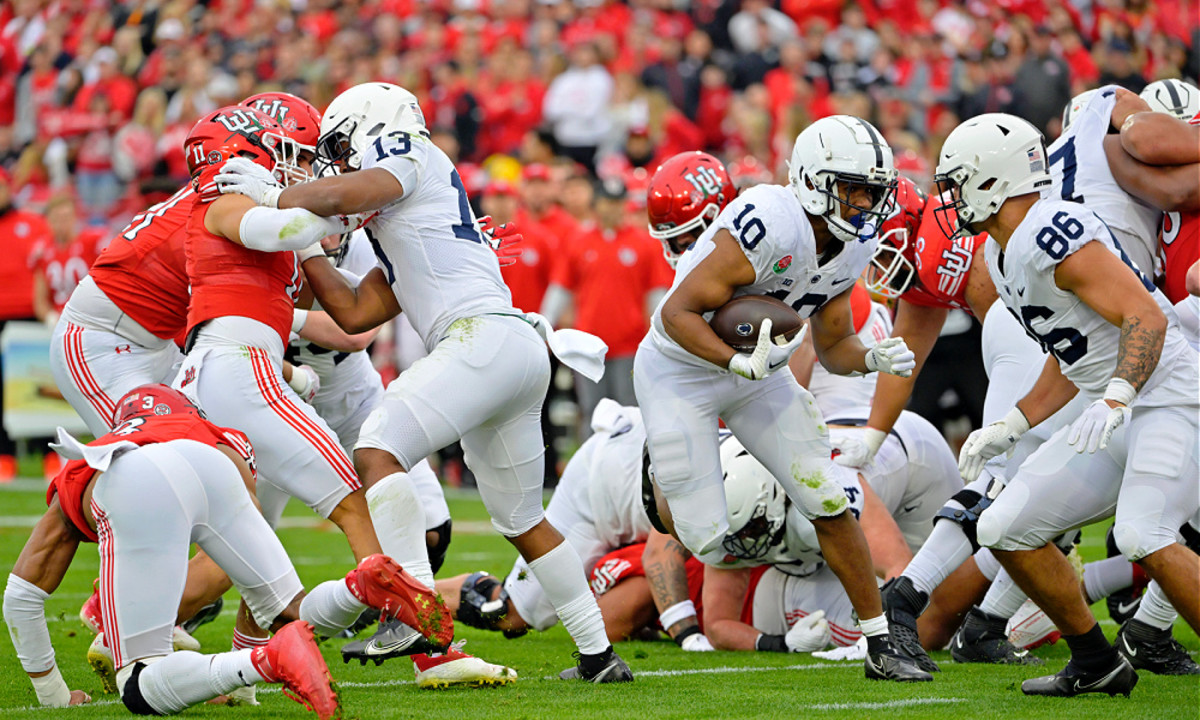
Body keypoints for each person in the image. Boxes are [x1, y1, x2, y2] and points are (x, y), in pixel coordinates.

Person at [214, 81, 629, 683]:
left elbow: (350, 189)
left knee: (378, 448)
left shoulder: (410, 153)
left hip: (482, 340)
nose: (339, 159)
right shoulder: (408, 220)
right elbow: (355, 312)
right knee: (522, 520)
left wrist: (274, 195)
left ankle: (415, 615)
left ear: (371, 127)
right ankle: (599, 656)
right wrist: (306, 248)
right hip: (508, 351)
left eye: (341, 145)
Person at [632, 114, 928, 682]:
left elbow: (835, 342)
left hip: (759, 371)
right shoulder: (768, 221)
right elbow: (673, 315)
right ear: (815, 182)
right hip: (680, 366)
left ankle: (881, 641)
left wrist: (871, 358)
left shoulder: (853, 242)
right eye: (854, 189)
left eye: (875, 191)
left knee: (827, 492)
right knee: (704, 537)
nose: (867, 203)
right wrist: (735, 360)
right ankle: (660, 480)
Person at [936, 112, 1199, 697]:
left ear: (993, 181)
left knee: (1142, 533)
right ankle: (1096, 662)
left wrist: (1118, 395)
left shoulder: (1050, 230)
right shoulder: (1002, 254)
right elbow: (1069, 349)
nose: (950, 197)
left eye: (957, 182)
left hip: (1172, 397)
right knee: (1003, 527)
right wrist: (1013, 423)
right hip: (1114, 402)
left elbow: (1146, 316)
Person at [1, 384, 440, 718]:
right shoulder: (219, 437)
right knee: (292, 611)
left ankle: (263, 662)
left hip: (133, 474)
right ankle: (358, 586)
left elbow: (21, 599)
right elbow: (246, 577)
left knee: (137, 683)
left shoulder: (95, 455)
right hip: (214, 465)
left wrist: (53, 696)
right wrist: (247, 682)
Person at [541, 180, 672, 428]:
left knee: (630, 410)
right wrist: (545, 324)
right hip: (589, 344)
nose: (611, 208)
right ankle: (592, 465)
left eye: (617, 202)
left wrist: (660, 335)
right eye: (606, 202)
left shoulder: (643, 243)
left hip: (630, 344)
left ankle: (631, 465)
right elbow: (560, 289)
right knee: (591, 412)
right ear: (596, 204)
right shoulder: (578, 240)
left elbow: (656, 295)